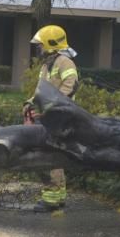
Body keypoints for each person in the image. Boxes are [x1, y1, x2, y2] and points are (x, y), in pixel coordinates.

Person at [24, 24, 78, 212]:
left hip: (59, 117)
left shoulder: (65, 62)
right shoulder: (48, 64)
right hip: (48, 115)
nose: (38, 49)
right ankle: (56, 196)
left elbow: (70, 86)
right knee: (50, 155)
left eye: (40, 45)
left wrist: (50, 105)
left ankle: (52, 198)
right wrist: (29, 103)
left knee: (50, 156)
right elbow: (41, 90)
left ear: (50, 44)